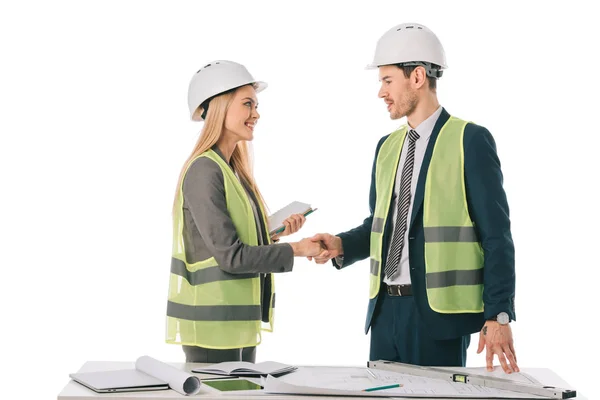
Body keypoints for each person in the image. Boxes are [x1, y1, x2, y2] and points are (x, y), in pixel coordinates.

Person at [310, 23, 518, 373]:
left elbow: (497, 237)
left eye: (387, 81)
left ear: (418, 77)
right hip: (384, 313)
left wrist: (498, 313)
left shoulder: (470, 141)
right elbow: (381, 226)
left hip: (437, 318)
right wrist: (341, 244)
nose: (381, 92)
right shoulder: (387, 147)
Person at [166, 60, 322, 363]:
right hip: (213, 327)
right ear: (221, 107)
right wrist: (298, 249)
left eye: (256, 104)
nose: (256, 113)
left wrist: (271, 233)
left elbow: (231, 242)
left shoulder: (232, 171)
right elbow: (231, 257)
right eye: (247, 104)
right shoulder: (204, 171)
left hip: (236, 323)